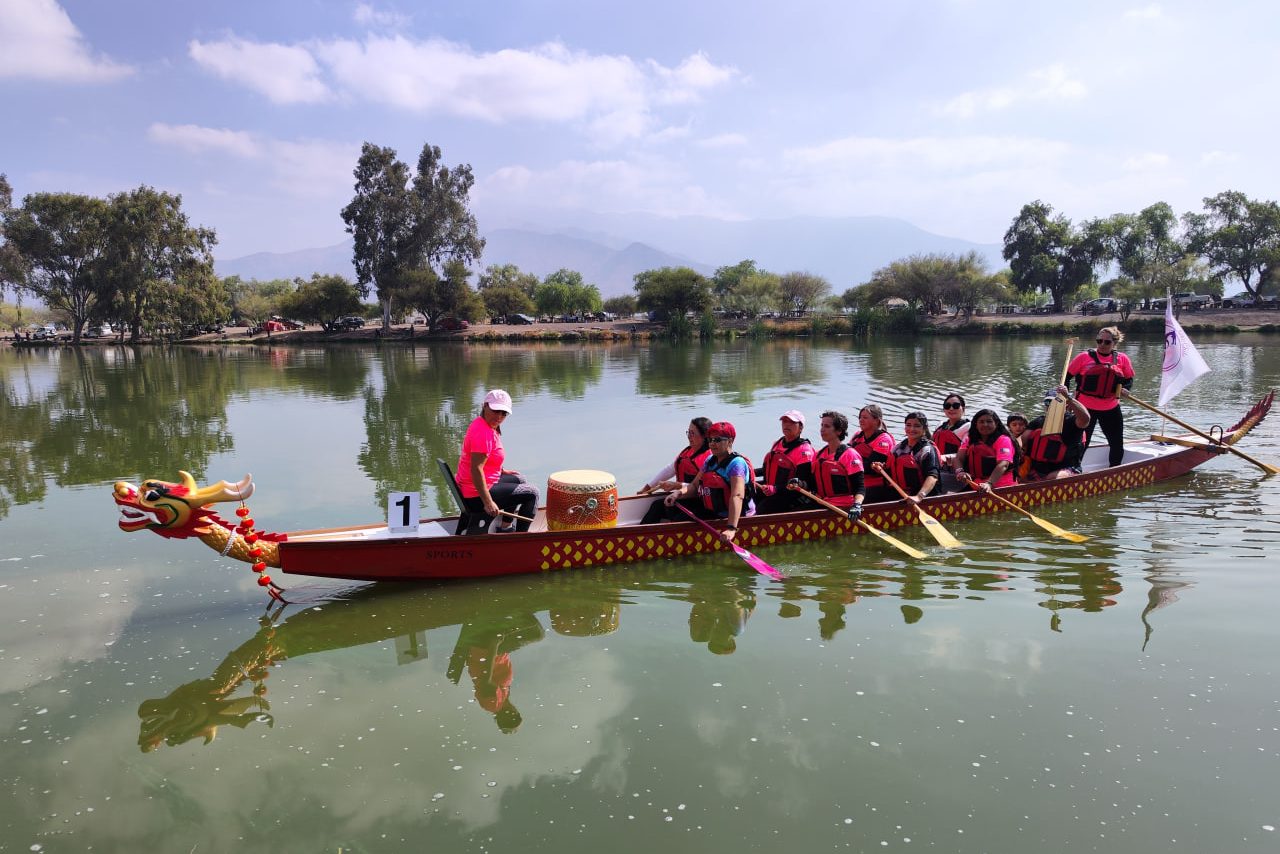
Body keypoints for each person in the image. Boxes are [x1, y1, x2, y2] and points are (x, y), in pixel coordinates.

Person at [455, 389, 539, 533]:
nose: (499, 416)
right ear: (485, 405)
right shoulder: (483, 433)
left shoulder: (483, 424)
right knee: (533, 493)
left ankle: (505, 527)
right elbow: (476, 469)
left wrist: (500, 470)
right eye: (496, 411)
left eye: (504, 413)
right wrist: (488, 502)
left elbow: (488, 458)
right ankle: (521, 539)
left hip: (472, 485)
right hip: (475, 495)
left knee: (519, 479)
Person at [663, 421, 755, 542]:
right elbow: (695, 486)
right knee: (668, 509)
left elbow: (737, 496)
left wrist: (731, 528)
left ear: (730, 441)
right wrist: (677, 494)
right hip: (714, 510)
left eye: (717, 440)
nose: (712, 444)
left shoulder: (736, 464)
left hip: (734, 514)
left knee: (680, 520)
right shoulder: (710, 460)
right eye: (711, 440)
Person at [1066, 326, 1134, 467]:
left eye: (1107, 342)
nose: (1102, 345)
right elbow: (1066, 378)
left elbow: (1128, 379)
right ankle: (1074, 472)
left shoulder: (1122, 359)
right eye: (1099, 341)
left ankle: (1114, 471)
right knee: (1082, 442)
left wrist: (1126, 389)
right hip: (1085, 409)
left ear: (1114, 343)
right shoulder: (1084, 357)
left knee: (1116, 442)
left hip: (1111, 408)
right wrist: (1068, 400)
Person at [638, 417, 713, 524]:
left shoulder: (709, 458)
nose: (689, 437)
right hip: (683, 497)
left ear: (704, 436)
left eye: (692, 433)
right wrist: (647, 487)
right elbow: (670, 469)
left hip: (700, 502)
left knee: (678, 518)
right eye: (688, 432)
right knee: (657, 506)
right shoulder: (687, 452)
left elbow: (698, 488)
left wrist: (675, 485)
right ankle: (642, 536)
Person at [1022, 385, 1091, 480]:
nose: (1051, 406)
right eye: (1048, 402)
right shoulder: (1038, 421)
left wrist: (1069, 398)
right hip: (1037, 468)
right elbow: (1022, 440)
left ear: (1066, 405)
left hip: (1066, 469)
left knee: (1052, 478)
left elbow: (1086, 419)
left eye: (1056, 402)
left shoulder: (1072, 423)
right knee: (1019, 472)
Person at [756, 409, 816, 514]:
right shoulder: (777, 443)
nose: (786, 425)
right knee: (746, 492)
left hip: (791, 494)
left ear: (801, 427)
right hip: (772, 488)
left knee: (763, 508)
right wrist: (750, 471)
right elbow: (767, 469)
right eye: (784, 421)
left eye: (792, 422)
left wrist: (776, 489)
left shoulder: (804, 451)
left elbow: (804, 482)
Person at [810, 410, 866, 521]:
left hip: (843, 507)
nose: (822, 429)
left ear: (839, 431)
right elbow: (812, 483)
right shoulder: (818, 455)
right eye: (822, 425)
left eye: (827, 426)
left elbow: (860, 487)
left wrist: (857, 505)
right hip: (823, 503)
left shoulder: (849, 455)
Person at [879, 411, 942, 503]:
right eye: (908, 425)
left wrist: (919, 497)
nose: (912, 429)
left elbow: (932, 476)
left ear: (924, 429)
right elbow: (892, 470)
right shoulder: (898, 448)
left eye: (917, 426)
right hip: (902, 493)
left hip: (924, 497)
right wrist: (881, 468)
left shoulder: (927, 450)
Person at [954, 408, 1019, 493]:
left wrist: (989, 483)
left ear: (996, 423)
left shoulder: (1003, 440)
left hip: (1001, 486)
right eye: (981, 422)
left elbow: (1003, 464)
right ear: (976, 425)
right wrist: (960, 472)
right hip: (976, 484)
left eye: (989, 421)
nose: (985, 424)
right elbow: (959, 458)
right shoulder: (970, 439)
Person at [850, 405, 896, 503]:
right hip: (859, 480)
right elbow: (844, 455)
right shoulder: (858, 435)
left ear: (877, 421)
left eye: (865, 418)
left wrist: (850, 465)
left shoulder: (884, 440)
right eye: (860, 417)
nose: (861, 420)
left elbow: (870, 468)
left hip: (877, 484)